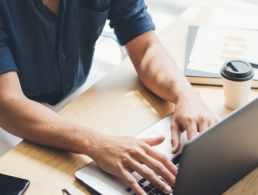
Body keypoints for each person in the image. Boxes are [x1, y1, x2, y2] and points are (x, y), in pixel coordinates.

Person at [0, 0, 218, 194]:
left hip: (75, 97)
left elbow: (146, 47)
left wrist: (185, 93)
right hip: (10, 125)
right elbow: (8, 103)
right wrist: (97, 143)